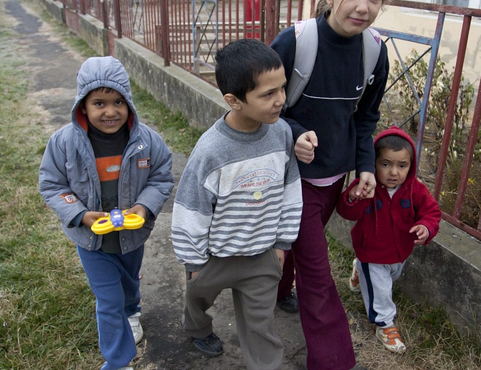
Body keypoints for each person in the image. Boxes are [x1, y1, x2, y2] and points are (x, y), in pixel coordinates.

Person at [270, 0, 390, 367]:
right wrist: (294, 132)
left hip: (334, 179)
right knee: (317, 273)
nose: (363, 7)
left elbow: (367, 117)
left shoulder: (374, 50)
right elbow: (262, 107)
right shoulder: (294, 42)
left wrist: (365, 166)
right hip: (293, 179)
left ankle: (275, 291)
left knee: (298, 248)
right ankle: (333, 361)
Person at [171, 39, 302, 370]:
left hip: (261, 257)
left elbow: (290, 192)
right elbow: (192, 210)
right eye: (267, 94)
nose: (280, 101)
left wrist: (281, 244)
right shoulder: (211, 151)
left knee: (262, 327)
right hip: (215, 257)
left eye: (282, 89)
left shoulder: (282, 134)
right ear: (234, 100)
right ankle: (197, 328)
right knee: (197, 299)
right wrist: (195, 263)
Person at [38, 56, 174, 370]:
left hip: (132, 234)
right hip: (91, 240)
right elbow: (51, 184)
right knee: (108, 300)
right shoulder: (64, 143)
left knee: (128, 282)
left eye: (118, 102)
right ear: (82, 106)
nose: (110, 111)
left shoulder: (147, 142)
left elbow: (161, 177)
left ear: (129, 104)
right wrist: (81, 214)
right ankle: (117, 361)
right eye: (99, 103)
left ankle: (133, 310)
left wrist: (143, 207)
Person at [337, 126, 441, 353]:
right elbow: (347, 212)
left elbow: (431, 212)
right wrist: (354, 196)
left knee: (392, 277)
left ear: (410, 166)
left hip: (400, 252)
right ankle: (384, 324)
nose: (394, 172)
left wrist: (426, 226)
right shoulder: (366, 187)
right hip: (371, 252)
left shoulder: (415, 189)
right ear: (373, 163)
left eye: (401, 166)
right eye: (386, 164)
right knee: (381, 291)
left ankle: (358, 271)